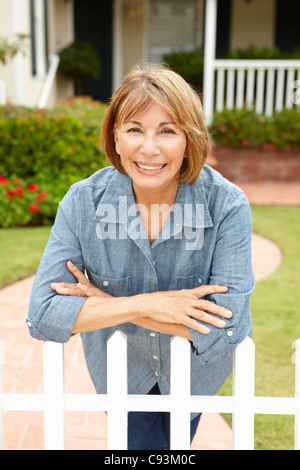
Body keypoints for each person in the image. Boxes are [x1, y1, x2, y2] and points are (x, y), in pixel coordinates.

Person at [27, 64, 255, 450]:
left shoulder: (227, 205)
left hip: (196, 374)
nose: (149, 148)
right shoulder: (83, 203)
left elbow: (225, 329)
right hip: (122, 374)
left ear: (190, 140)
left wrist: (107, 305)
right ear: (115, 138)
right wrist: (151, 305)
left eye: (167, 131)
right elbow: (43, 315)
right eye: (134, 129)